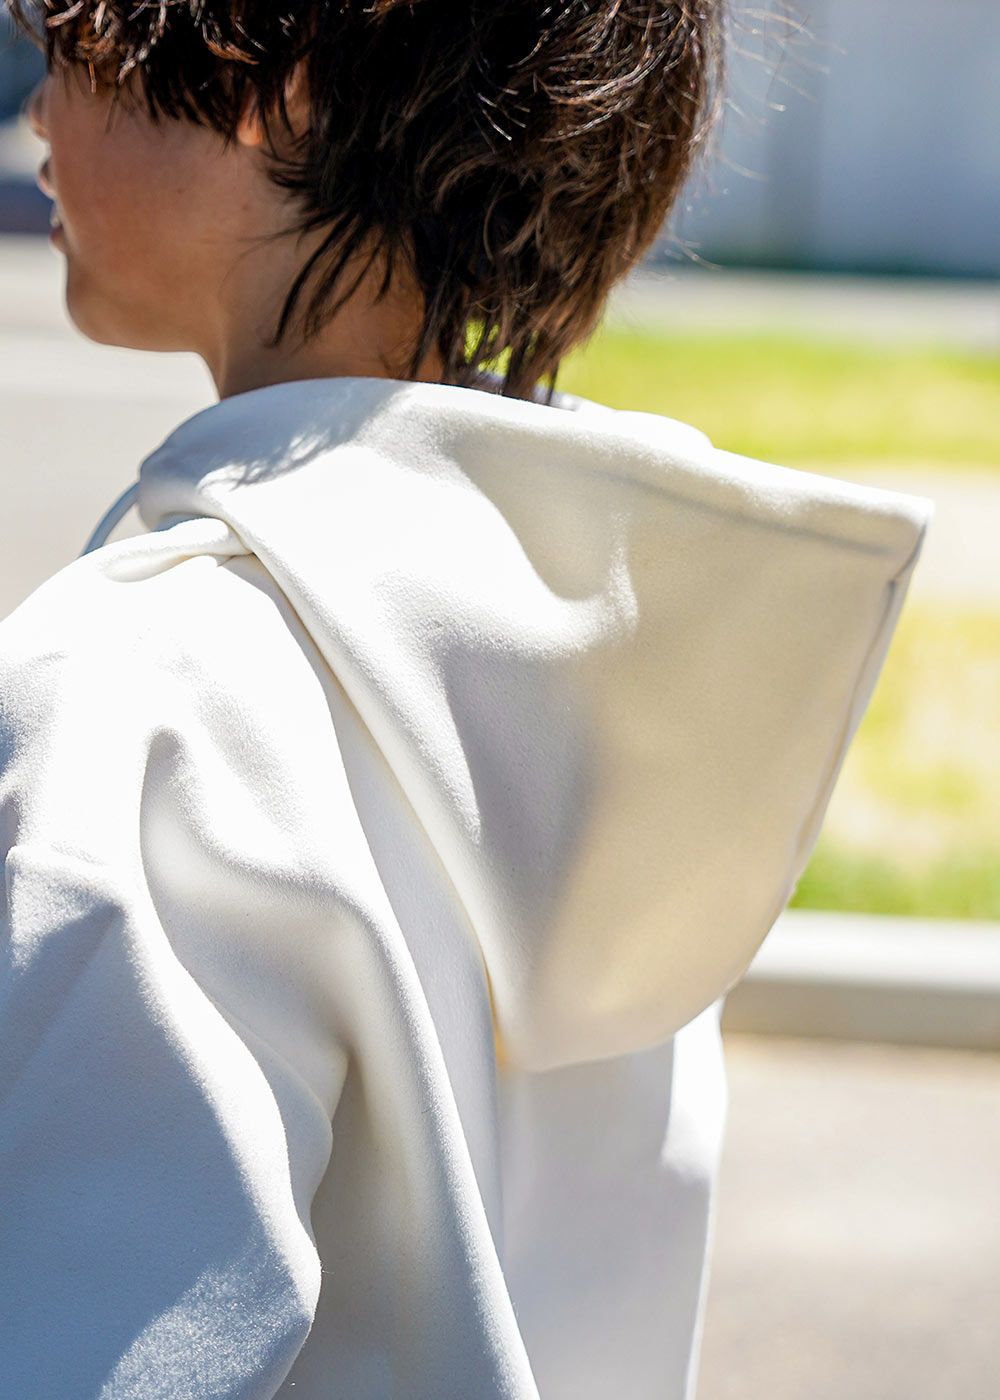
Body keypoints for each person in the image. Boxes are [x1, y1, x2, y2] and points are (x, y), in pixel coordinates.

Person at [2, 3, 932, 1397]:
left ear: (275, 79)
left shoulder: (137, 696)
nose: (36, 109)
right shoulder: (611, 690)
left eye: (73, 46)